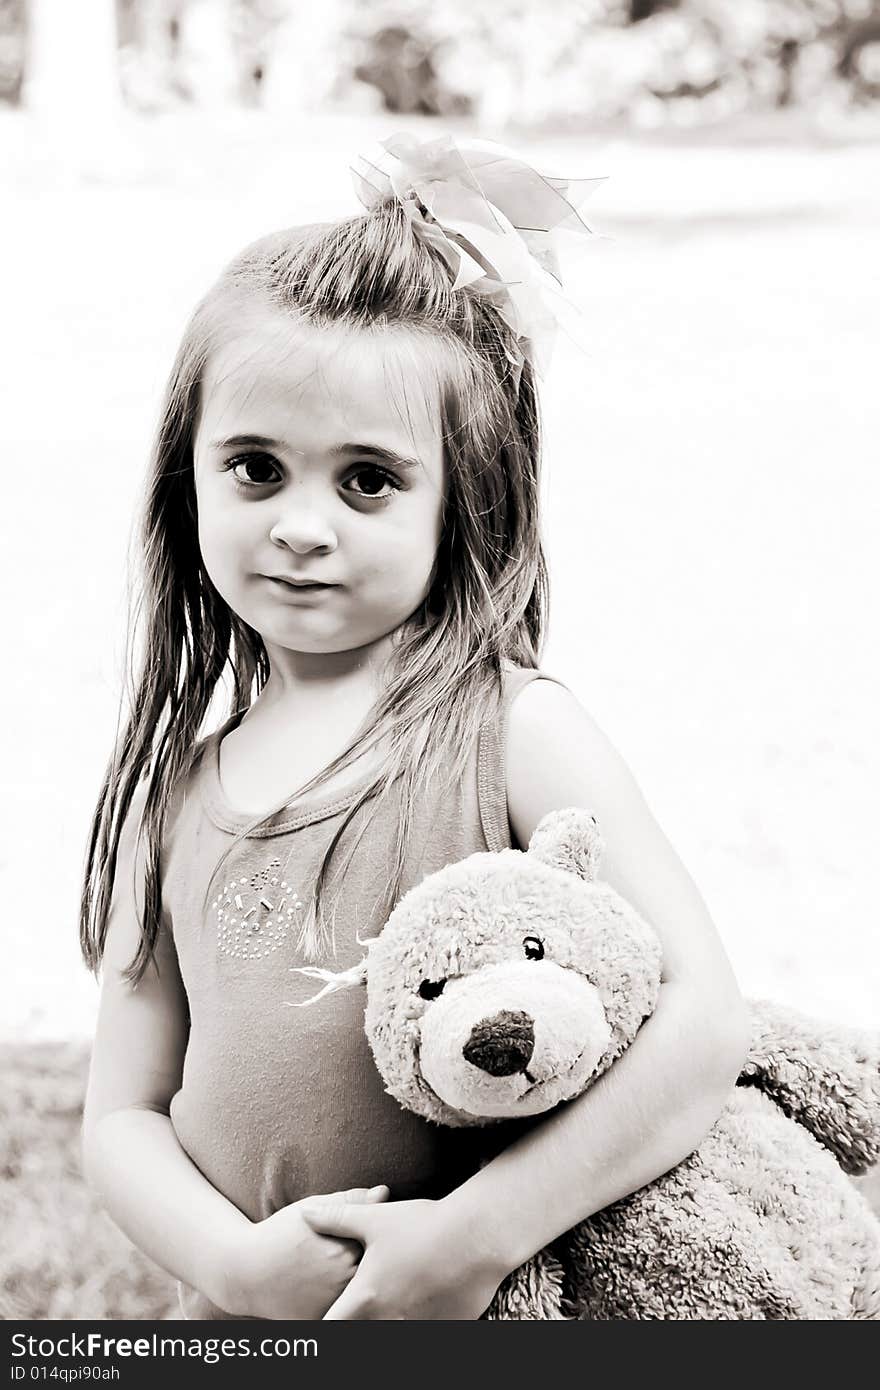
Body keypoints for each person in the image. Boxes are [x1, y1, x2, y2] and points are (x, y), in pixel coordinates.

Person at [79, 134, 750, 1321]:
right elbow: (122, 1114)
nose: (299, 525)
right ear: (186, 480)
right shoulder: (176, 795)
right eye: (254, 467)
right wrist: (237, 1268)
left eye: (367, 480)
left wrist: (473, 1239)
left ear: (467, 498)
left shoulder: (509, 728)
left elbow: (701, 1023)